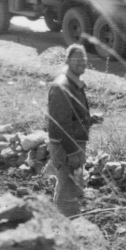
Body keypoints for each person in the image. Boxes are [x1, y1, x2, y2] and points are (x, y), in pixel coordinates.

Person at [47, 44, 102, 217]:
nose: (81, 63)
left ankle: (67, 226)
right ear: (67, 61)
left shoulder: (73, 84)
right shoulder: (62, 86)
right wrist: (72, 152)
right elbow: (60, 124)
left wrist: (90, 120)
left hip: (73, 145)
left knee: (71, 188)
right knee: (68, 191)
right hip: (67, 147)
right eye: (77, 59)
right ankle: (64, 230)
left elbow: (71, 118)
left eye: (84, 59)